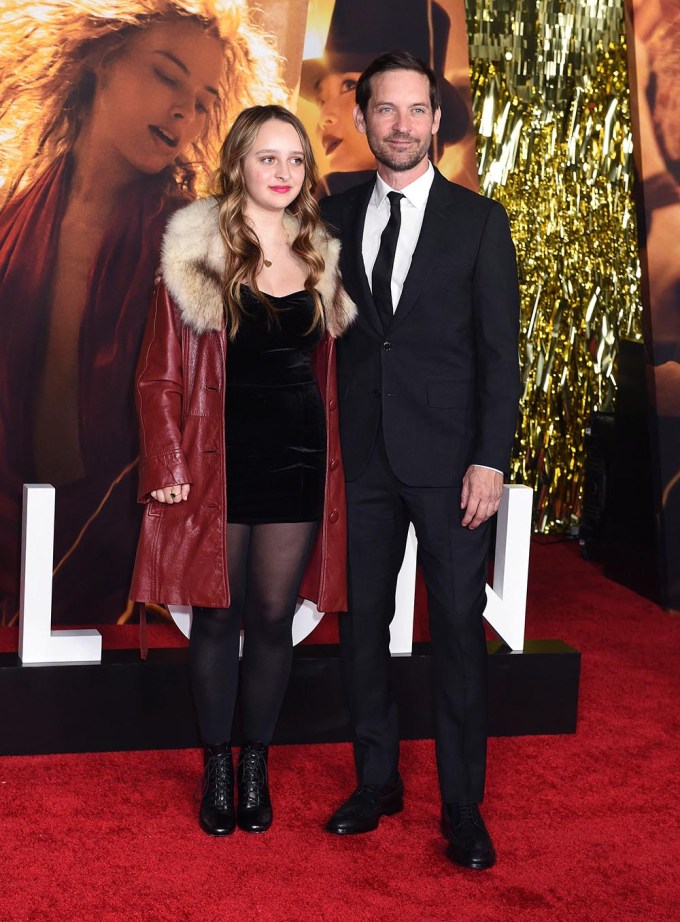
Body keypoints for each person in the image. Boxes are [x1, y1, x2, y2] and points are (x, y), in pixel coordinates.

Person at [0, 0, 286, 626]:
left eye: (207, 100)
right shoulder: (13, 218)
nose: (186, 111)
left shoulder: (188, 238)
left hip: (126, 560)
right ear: (102, 61)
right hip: (11, 538)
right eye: (166, 75)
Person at [130, 104, 356, 836]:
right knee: (216, 617)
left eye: (295, 160)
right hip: (214, 460)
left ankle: (254, 764)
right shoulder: (195, 249)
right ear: (238, 164)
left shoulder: (320, 252)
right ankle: (216, 766)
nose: (285, 173)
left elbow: (331, 373)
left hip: (296, 460)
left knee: (270, 619)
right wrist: (165, 458)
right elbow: (159, 372)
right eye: (269, 158)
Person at [319, 51, 521, 869]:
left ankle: (462, 809)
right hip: (362, 457)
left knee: (459, 640)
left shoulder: (480, 222)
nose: (401, 125)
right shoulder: (330, 212)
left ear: (437, 121)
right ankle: (377, 781)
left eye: (416, 110)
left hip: (450, 467)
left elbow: (501, 357)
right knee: (363, 624)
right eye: (385, 110)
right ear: (364, 120)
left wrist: (490, 460)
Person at [299, 0, 471, 197]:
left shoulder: (472, 218)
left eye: (350, 85)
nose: (324, 118)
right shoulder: (322, 203)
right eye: (322, 101)